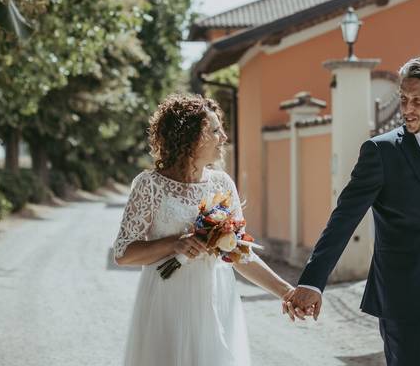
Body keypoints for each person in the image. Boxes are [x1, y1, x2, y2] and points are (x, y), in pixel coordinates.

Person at [284, 56, 420, 366]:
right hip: (406, 305)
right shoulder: (381, 151)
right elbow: (343, 219)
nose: (407, 108)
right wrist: (312, 281)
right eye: (403, 99)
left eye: (417, 101)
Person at [113, 93, 295, 366]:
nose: (223, 137)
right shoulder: (149, 185)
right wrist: (174, 243)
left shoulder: (222, 183)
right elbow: (124, 253)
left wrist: (286, 292)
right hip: (167, 301)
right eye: (215, 130)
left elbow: (240, 253)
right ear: (190, 137)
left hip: (216, 299)